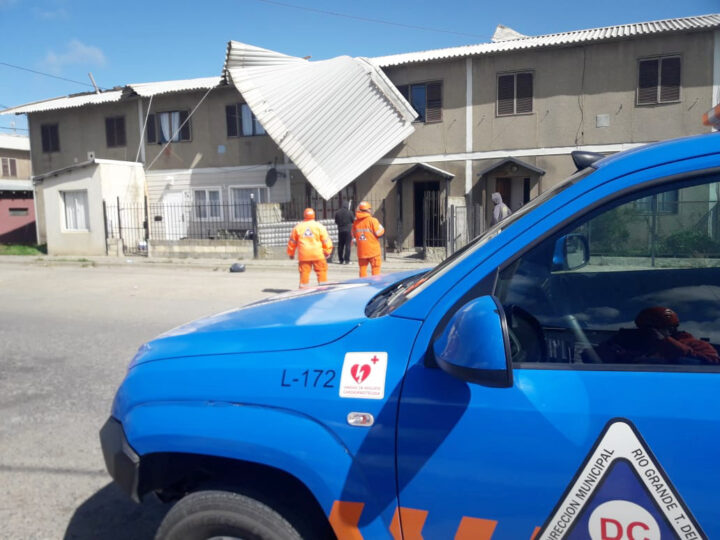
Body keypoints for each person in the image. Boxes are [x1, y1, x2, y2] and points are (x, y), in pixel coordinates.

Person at [592, 306, 719, 365]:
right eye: (642, 329)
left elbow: (713, 364)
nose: (645, 334)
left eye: (651, 330)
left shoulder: (695, 344)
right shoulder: (635, 344)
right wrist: (612, 347)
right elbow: (589, 358)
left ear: (671, 328)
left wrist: (665, 342)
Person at [286, 208, 333, 289]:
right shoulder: (319, 226)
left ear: (304, 215)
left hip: (304, 256)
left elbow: (292, 242)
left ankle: (303, 292)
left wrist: (291, 253)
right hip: (318, 255)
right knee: (322, 272)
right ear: (314, 215)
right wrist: (327, 251)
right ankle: (323, 291)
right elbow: (326, 240)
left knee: (304, 273)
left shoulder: (298, 227)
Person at [352, 201, 385, 277]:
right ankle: (375, 285)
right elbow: (378, 233)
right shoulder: (373, 220)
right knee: (375, 270)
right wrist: (382, 228)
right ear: (368, 210)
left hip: (362, 251)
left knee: (362, 270)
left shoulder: (355, 222)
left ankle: (363, 285)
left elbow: (354, 235)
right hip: (373, 251)